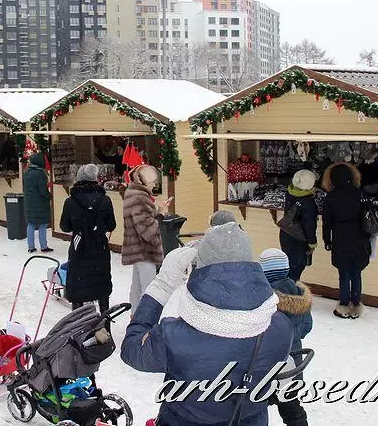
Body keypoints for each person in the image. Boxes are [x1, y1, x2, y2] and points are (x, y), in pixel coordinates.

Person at [120, 222, 293, 426]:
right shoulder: (281, 327)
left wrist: (162, 285)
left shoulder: (174, 337)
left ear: (201, 268)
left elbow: (131, 350)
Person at [259, 248, 313, 426]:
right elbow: (307, 326)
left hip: (269, 365)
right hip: (294, 364)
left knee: (257, 407)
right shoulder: (300, 295)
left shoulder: (265, 299)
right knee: (291, 407)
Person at [59, 164, 116, 314]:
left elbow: (64, 226)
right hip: (100, 249)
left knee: (78, 289)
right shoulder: (105, 200)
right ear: (95, 179)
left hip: (79, 249)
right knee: (101, 287)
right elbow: (111, 225)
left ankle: (77, 327)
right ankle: (105, 327)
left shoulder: (70, 202)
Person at [322, 162, 370, 319]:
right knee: (356, 271)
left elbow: (327, 221)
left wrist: (326, 239)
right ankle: (356, 304)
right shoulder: (359, 193)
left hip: (340, 236)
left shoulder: (331, 197)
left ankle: (343, 304)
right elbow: (366, 215)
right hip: (358, 236)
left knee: (343, 272)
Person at [121, 165, 170, 313]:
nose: (154, 185)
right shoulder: (140, 198)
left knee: (136, 287)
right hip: (144, 249)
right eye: (152, 182)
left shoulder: (132, 193)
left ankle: (135, 317)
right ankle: (144, 322)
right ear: (143, 181)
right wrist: (161, 214)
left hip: (136, 247)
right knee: (148, 289)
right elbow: (147, 230)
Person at [279, 169, 319, 281]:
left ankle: (286, 292)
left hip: (286, 234)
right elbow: (309, 225)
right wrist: (312, 243)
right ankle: (291, 295)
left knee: (289, 267)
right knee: (296, 269)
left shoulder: (289, 193)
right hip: (299, 239)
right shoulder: (308, 203)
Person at [23, 152, 51, 253]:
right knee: (42, 225)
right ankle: (43, 246)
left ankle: (31, 247)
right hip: (40, 203)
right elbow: (43, 191)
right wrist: (49, 196)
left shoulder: (26, 172)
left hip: (29, 202)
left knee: (31, 225)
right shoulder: (40, 173)